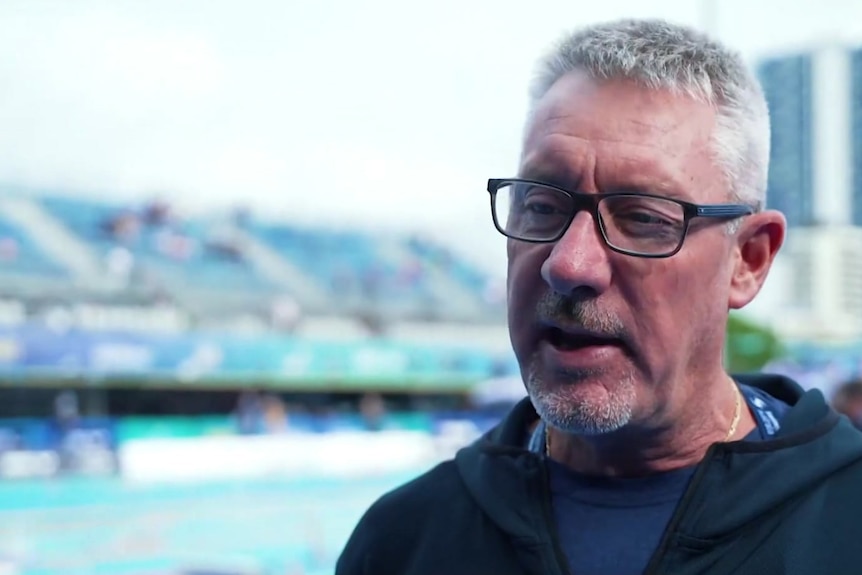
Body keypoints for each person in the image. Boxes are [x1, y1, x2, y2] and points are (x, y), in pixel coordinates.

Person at [335, 18, 862, 575]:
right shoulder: (404, 541)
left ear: (748, 260)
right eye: (541, 206)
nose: (569, 263)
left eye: (643, 218)